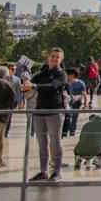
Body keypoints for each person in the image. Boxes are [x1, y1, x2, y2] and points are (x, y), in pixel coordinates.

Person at [23, 47, 67, 181]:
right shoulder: (42, 73)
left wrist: (34, 86)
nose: (54, 59)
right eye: (52, 56)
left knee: (55, 142)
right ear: (48, 57)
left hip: (54, 111)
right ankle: (43, 171)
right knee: (42, 143)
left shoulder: (61, 74)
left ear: (61, 60)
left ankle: (57, 172)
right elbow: (30, 82)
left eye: (57, 57)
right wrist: (26, 84)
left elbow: (54, 86)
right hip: (39, 111)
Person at [62, 68, 87, 138]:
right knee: (69, 117)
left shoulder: (80, 83)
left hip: (77, 102)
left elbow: (84, 94)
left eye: (68, 74)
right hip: (68, 101)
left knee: (74, 117)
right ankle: (67, 132)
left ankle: (71, 133)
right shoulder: (67, 82)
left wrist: (85, 104)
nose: (67, 76)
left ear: (72, 75)